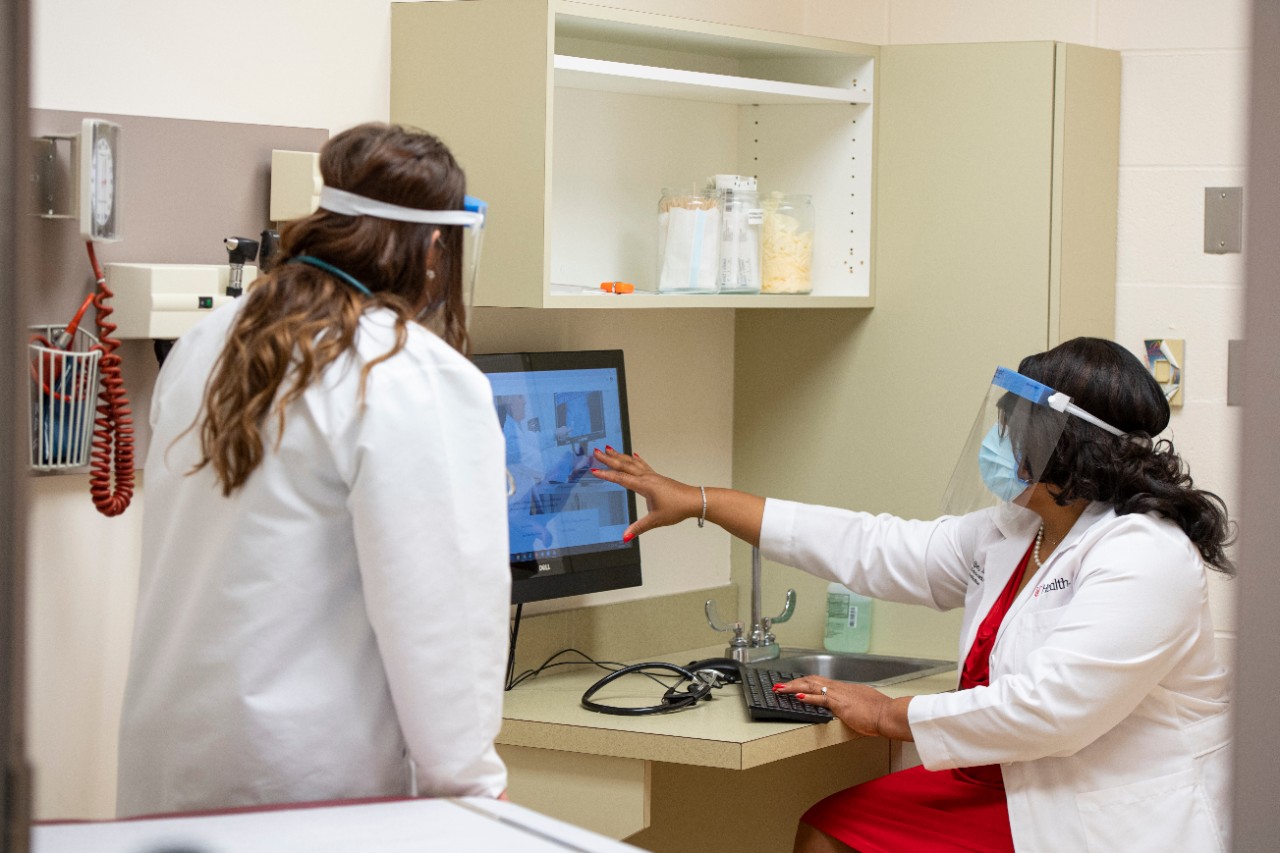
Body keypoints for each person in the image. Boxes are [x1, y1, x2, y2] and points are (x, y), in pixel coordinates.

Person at [590, 337, 1233, 852]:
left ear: (1066, 446)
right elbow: (871, 547)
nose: (1001, 442)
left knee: (835, 835)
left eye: (1015, 428)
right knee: (832, 828)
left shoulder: (1145, 556)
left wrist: (887, 715)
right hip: (1009, 784)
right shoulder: (1018, 531)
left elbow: (1050, 712)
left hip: (1101, 811)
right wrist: (703, 501)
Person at [117, 123, 510, 816]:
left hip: (170, 773)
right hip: (313, 788)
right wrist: (475, 790)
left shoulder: (206, 344)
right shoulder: (410, 375)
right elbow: (444, 620)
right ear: (434, 246)